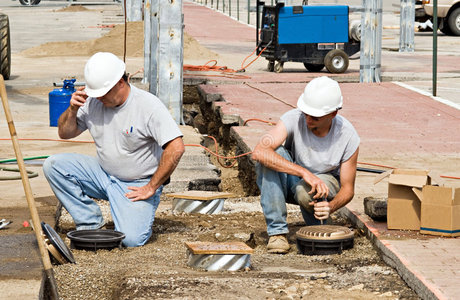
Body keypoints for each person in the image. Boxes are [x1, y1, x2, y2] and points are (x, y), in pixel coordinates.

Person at [43, 52, 185, 247]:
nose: (99, 98)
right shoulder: (93, 101)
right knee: (54, 165)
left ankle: (132, 206)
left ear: (120, 82)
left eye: (103, 93)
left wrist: (151, 186)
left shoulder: (148, 106)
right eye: (97, 93)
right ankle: (90, 222)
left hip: (135, 184)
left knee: (131, 240)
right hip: (102, 174)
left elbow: (176, 147)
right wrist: (72, 110)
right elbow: (65, 133)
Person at [251, 76, 360, 254]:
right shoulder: (294, 118)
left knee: (305, 191)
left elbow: (348, 189)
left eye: (315, 117)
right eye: (306, 113)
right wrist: (304, 172)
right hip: (294, 179)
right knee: (270, 156)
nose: (308, 119)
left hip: (325, 184)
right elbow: (259, 151)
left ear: (333, 114)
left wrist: (331, 207)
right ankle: (277, 233)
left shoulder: (347, 136)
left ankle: (320, 226)